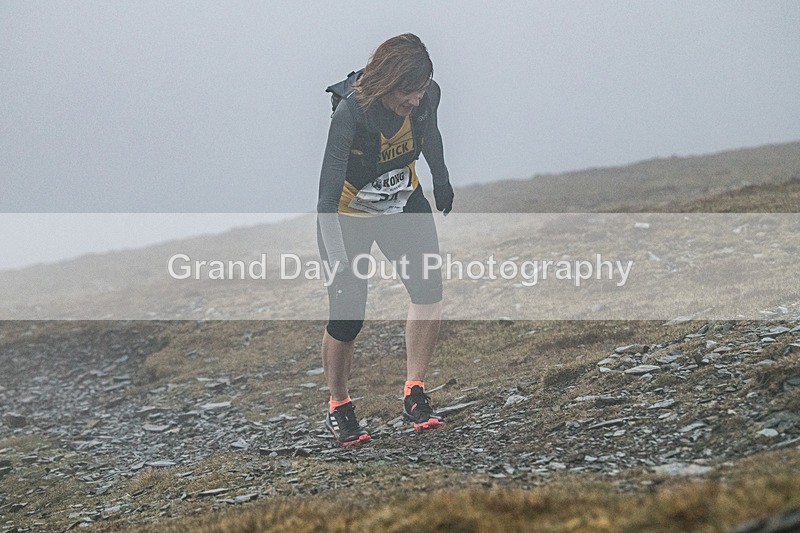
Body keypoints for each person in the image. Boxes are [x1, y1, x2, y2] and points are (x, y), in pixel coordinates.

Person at [317, 33, 454, 446]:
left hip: (401, 204)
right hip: (347, 215)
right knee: (347, 316)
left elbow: (429, 134)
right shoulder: (351, 114)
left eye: (420, 90)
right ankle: (339, 406)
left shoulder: (426, 96)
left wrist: (441, 181)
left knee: (428, 290)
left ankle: (415, 391)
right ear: (385, 82)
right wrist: (339, 257)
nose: (414, 100)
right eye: (406, 92)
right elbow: (324, 198)